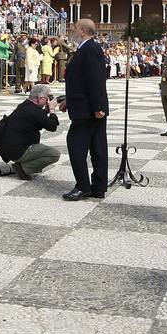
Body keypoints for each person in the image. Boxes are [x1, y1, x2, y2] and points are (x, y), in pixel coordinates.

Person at [61, 18, 109, 201]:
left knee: (76, 145)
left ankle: (83, 186)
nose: (73, 31)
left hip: (88, 111)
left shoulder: (90, 48)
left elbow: (96, 79)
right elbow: (82, 81)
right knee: (97, 148)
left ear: (82, 31)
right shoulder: (87, 48)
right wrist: (69, 101)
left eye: (75, 28)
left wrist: (97, 107)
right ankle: (98, 187)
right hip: (85, 106)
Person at [0, 84, 62, 180]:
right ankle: (22, 168)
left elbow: (38, 119)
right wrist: (52, 109)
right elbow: (52, 126)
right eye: (47, 98)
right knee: (54, 154)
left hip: (10, 150)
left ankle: (22, 165)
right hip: (20, 151)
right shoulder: (35, 111)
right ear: (40, 99)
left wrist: (46, 110)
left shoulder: (24, 105)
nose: (48, 101)